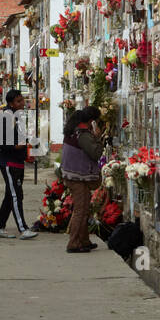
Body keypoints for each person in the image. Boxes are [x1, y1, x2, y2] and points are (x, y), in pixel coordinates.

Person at [0, 88, 37, 240]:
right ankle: (23, 228)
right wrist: (16, 146)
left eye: (22, 100)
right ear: (11, 103)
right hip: (9, 162)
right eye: (18, 101)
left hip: (17, 162)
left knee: (10, 197)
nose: (22, 103)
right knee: (16, 196)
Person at [61, 106, 103, 253]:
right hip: (78, 176)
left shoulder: (74, 130)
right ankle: (73, 243)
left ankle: (84, 240)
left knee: (84, 208)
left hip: (74, 175)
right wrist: (98, 138)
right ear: (92, 121)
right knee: (80, 209)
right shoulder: (83, 135)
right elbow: (95, 153)